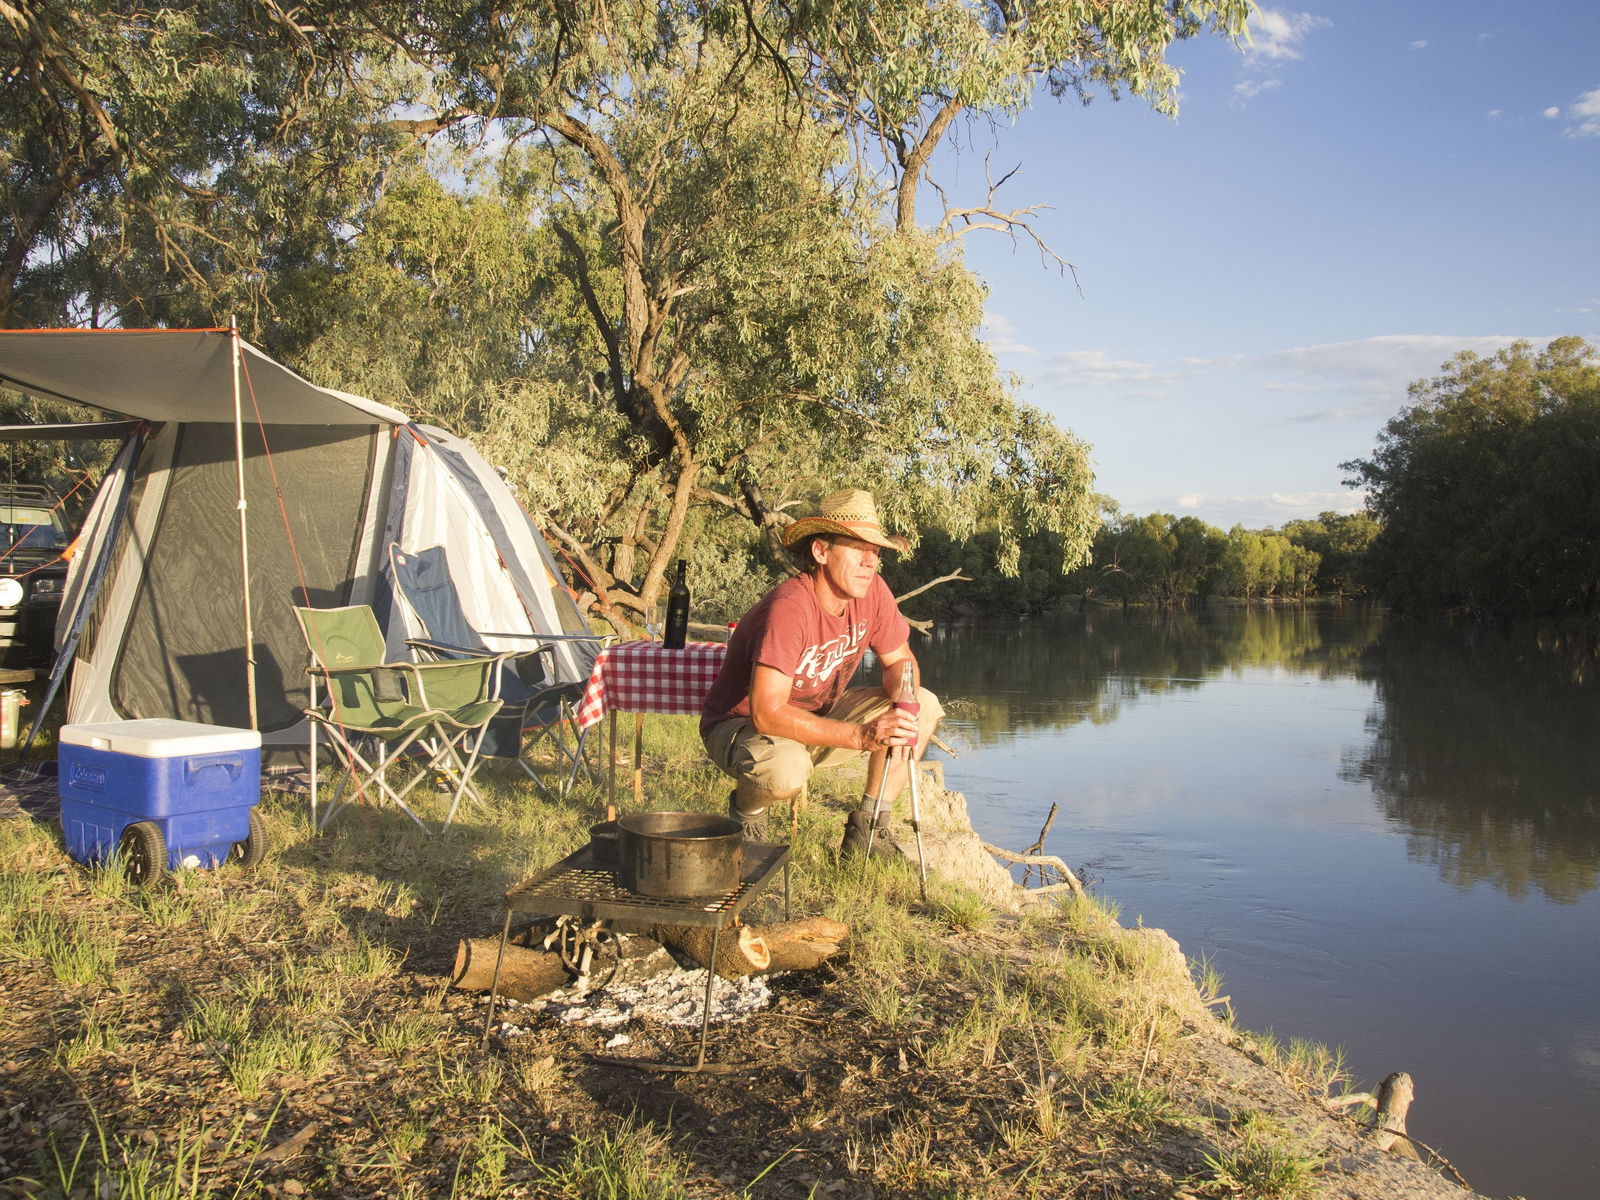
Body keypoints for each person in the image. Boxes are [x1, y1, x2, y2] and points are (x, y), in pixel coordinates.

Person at [700, 488, 943, 857]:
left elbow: (900, 661)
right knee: (786, 770)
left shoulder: (873, 592)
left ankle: (869, 830)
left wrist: (903, 698)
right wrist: (861, 735)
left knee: (922, 705)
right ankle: (746, 811)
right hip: (741, 727)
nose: (870, 562)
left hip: (817, 717)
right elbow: (766, 713)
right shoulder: (789, 608)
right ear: (821, 551)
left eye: (875, 552)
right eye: (858, 549)